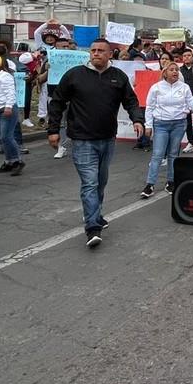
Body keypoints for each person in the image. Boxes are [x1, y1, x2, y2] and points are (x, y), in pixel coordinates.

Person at [47, 38, 144, 249]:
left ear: (110, 54)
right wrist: (53, 130)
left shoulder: (118, 77)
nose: (96, 53)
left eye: (101, 50)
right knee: (90, 183)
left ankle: (95, 214)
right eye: (93, 50)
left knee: (100, 181)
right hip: (82, 140)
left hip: (107, 139)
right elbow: (57, 101)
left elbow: (130, 100)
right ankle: (92, 227)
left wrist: (137, 119)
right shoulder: (75, 75)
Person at [140, 59, 193, 199]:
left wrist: (192, 105)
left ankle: (170, 181)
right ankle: (150, 184)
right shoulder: (156, 87)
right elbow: (150, 107)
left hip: (178, 124)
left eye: (177, 70)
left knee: (173, 154)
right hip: (161, 124)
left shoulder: (184, 87)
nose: (175, 72)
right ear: (164, 73)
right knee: (158, 154)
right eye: (171, 70)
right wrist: (148, 125)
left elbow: (192, 105)